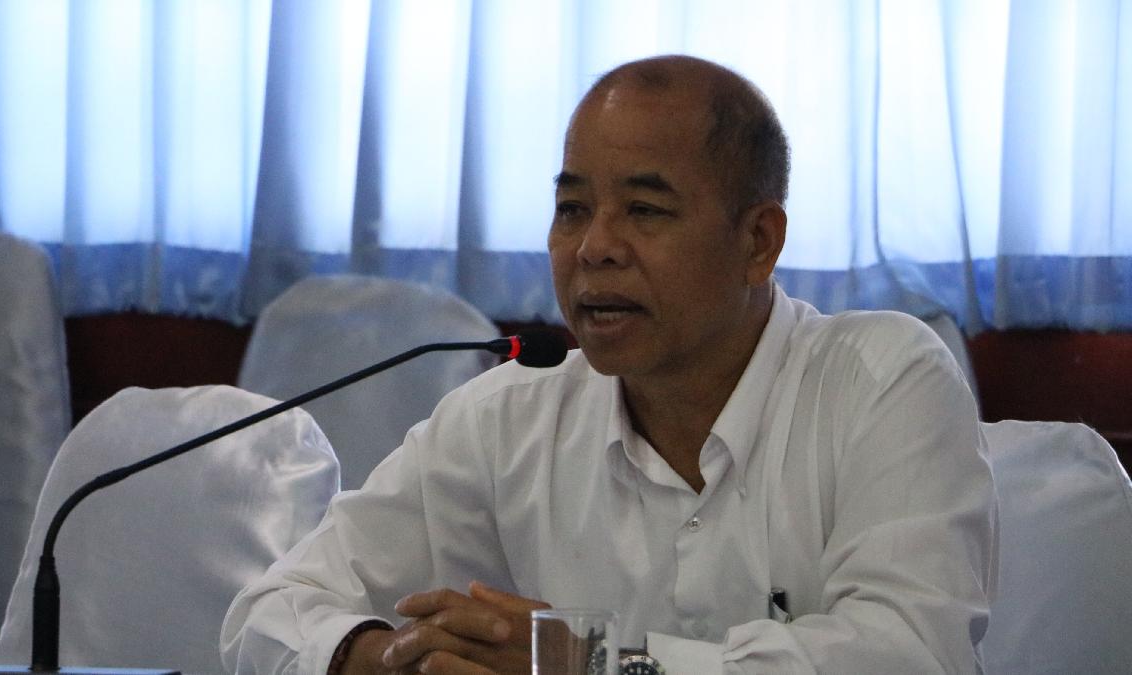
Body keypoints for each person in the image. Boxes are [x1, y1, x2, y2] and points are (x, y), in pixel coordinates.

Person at [221, 55, 996, 674]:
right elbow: (270, 610)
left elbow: (910, 653)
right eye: (572, 209)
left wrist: (591, 662)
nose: (594, 247)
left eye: (645, 210)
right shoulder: (504, 418)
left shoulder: (883, 382)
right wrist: (388, 657)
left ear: (758, 241)